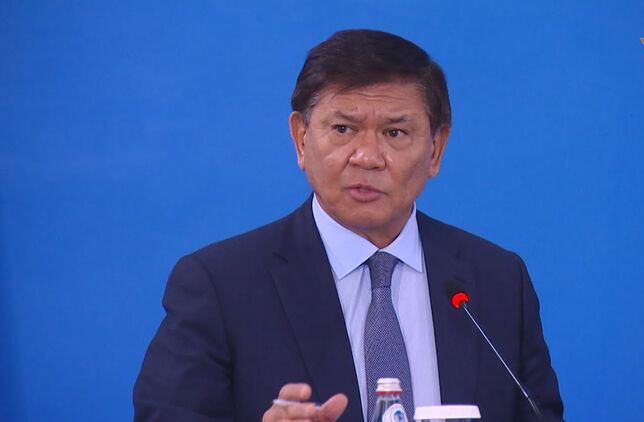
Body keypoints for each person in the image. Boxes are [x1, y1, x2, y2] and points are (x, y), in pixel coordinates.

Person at [133, 29, 564, 422]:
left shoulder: (497, 281)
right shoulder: (221, 286)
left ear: (435, 149)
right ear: (301, 139)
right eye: (343, 128)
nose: (367, 157)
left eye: (395, 133)